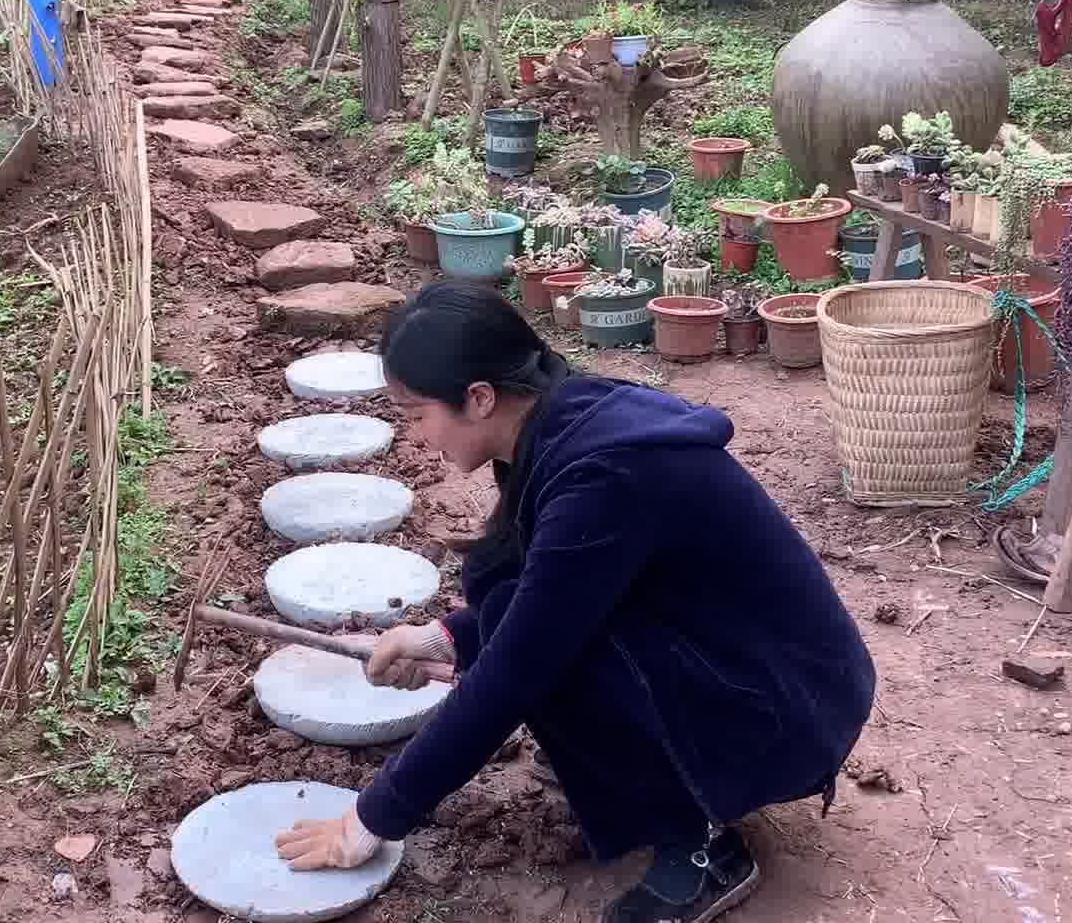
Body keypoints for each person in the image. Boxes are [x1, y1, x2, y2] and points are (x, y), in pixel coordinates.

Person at [274, 280, 878, 923]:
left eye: (416, 412)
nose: (415, 434)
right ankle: (643, 772)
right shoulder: (554, 422)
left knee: (552, 665)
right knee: (543, 628)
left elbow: (516, 672)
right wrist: (445, 639)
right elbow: (537, 594)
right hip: (741, 664)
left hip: (789, 708)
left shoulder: (606, 474)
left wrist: (374, 817)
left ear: (478, 398)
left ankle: (703, 842)